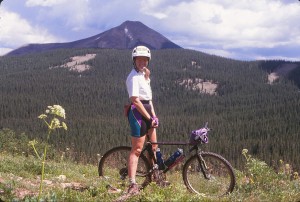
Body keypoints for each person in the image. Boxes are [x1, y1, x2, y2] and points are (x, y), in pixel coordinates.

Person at [125, 45, 159, 195]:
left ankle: (154, 177)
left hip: (148, 112)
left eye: (145, 60)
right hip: (138, 114)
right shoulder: (132, 77)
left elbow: (149, 99)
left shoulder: (145, 75)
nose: (142, 62)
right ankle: (132, 183)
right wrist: (148, 117)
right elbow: (136, 100)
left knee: (153, 148)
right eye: (139, 60)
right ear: (134, 60)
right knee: (137, 150)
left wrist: (154, 116)